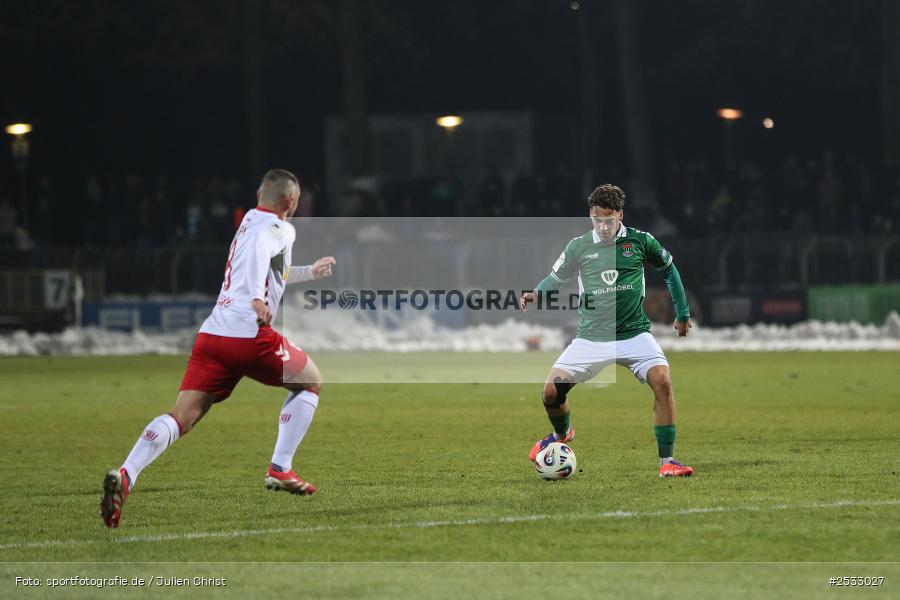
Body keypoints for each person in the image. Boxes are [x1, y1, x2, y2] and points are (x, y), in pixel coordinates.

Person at [100, 169, 337, 528]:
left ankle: (127, 473)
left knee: (183, 416)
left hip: (213, 336)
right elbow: (262, 255)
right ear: (289, 201)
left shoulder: (248, 222)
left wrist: (309, 272)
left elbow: (273, 268)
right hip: (250, 334)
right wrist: (258, 299)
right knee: (311, 381)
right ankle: (280, 467)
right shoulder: (281, 228)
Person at [520, 184, 694, 478]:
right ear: (591, 215)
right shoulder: (579, 246)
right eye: (598, 219)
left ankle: (668, 460)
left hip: (634, 334)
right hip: (591, 338)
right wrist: (535, 293)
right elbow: (556, 277)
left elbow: (669, 270)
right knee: (550, 393)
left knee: (663, 382)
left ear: (620, 216)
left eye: (609, 220)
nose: (603, 226)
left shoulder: (640, 241)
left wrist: (683, 313)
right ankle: (562, 433)